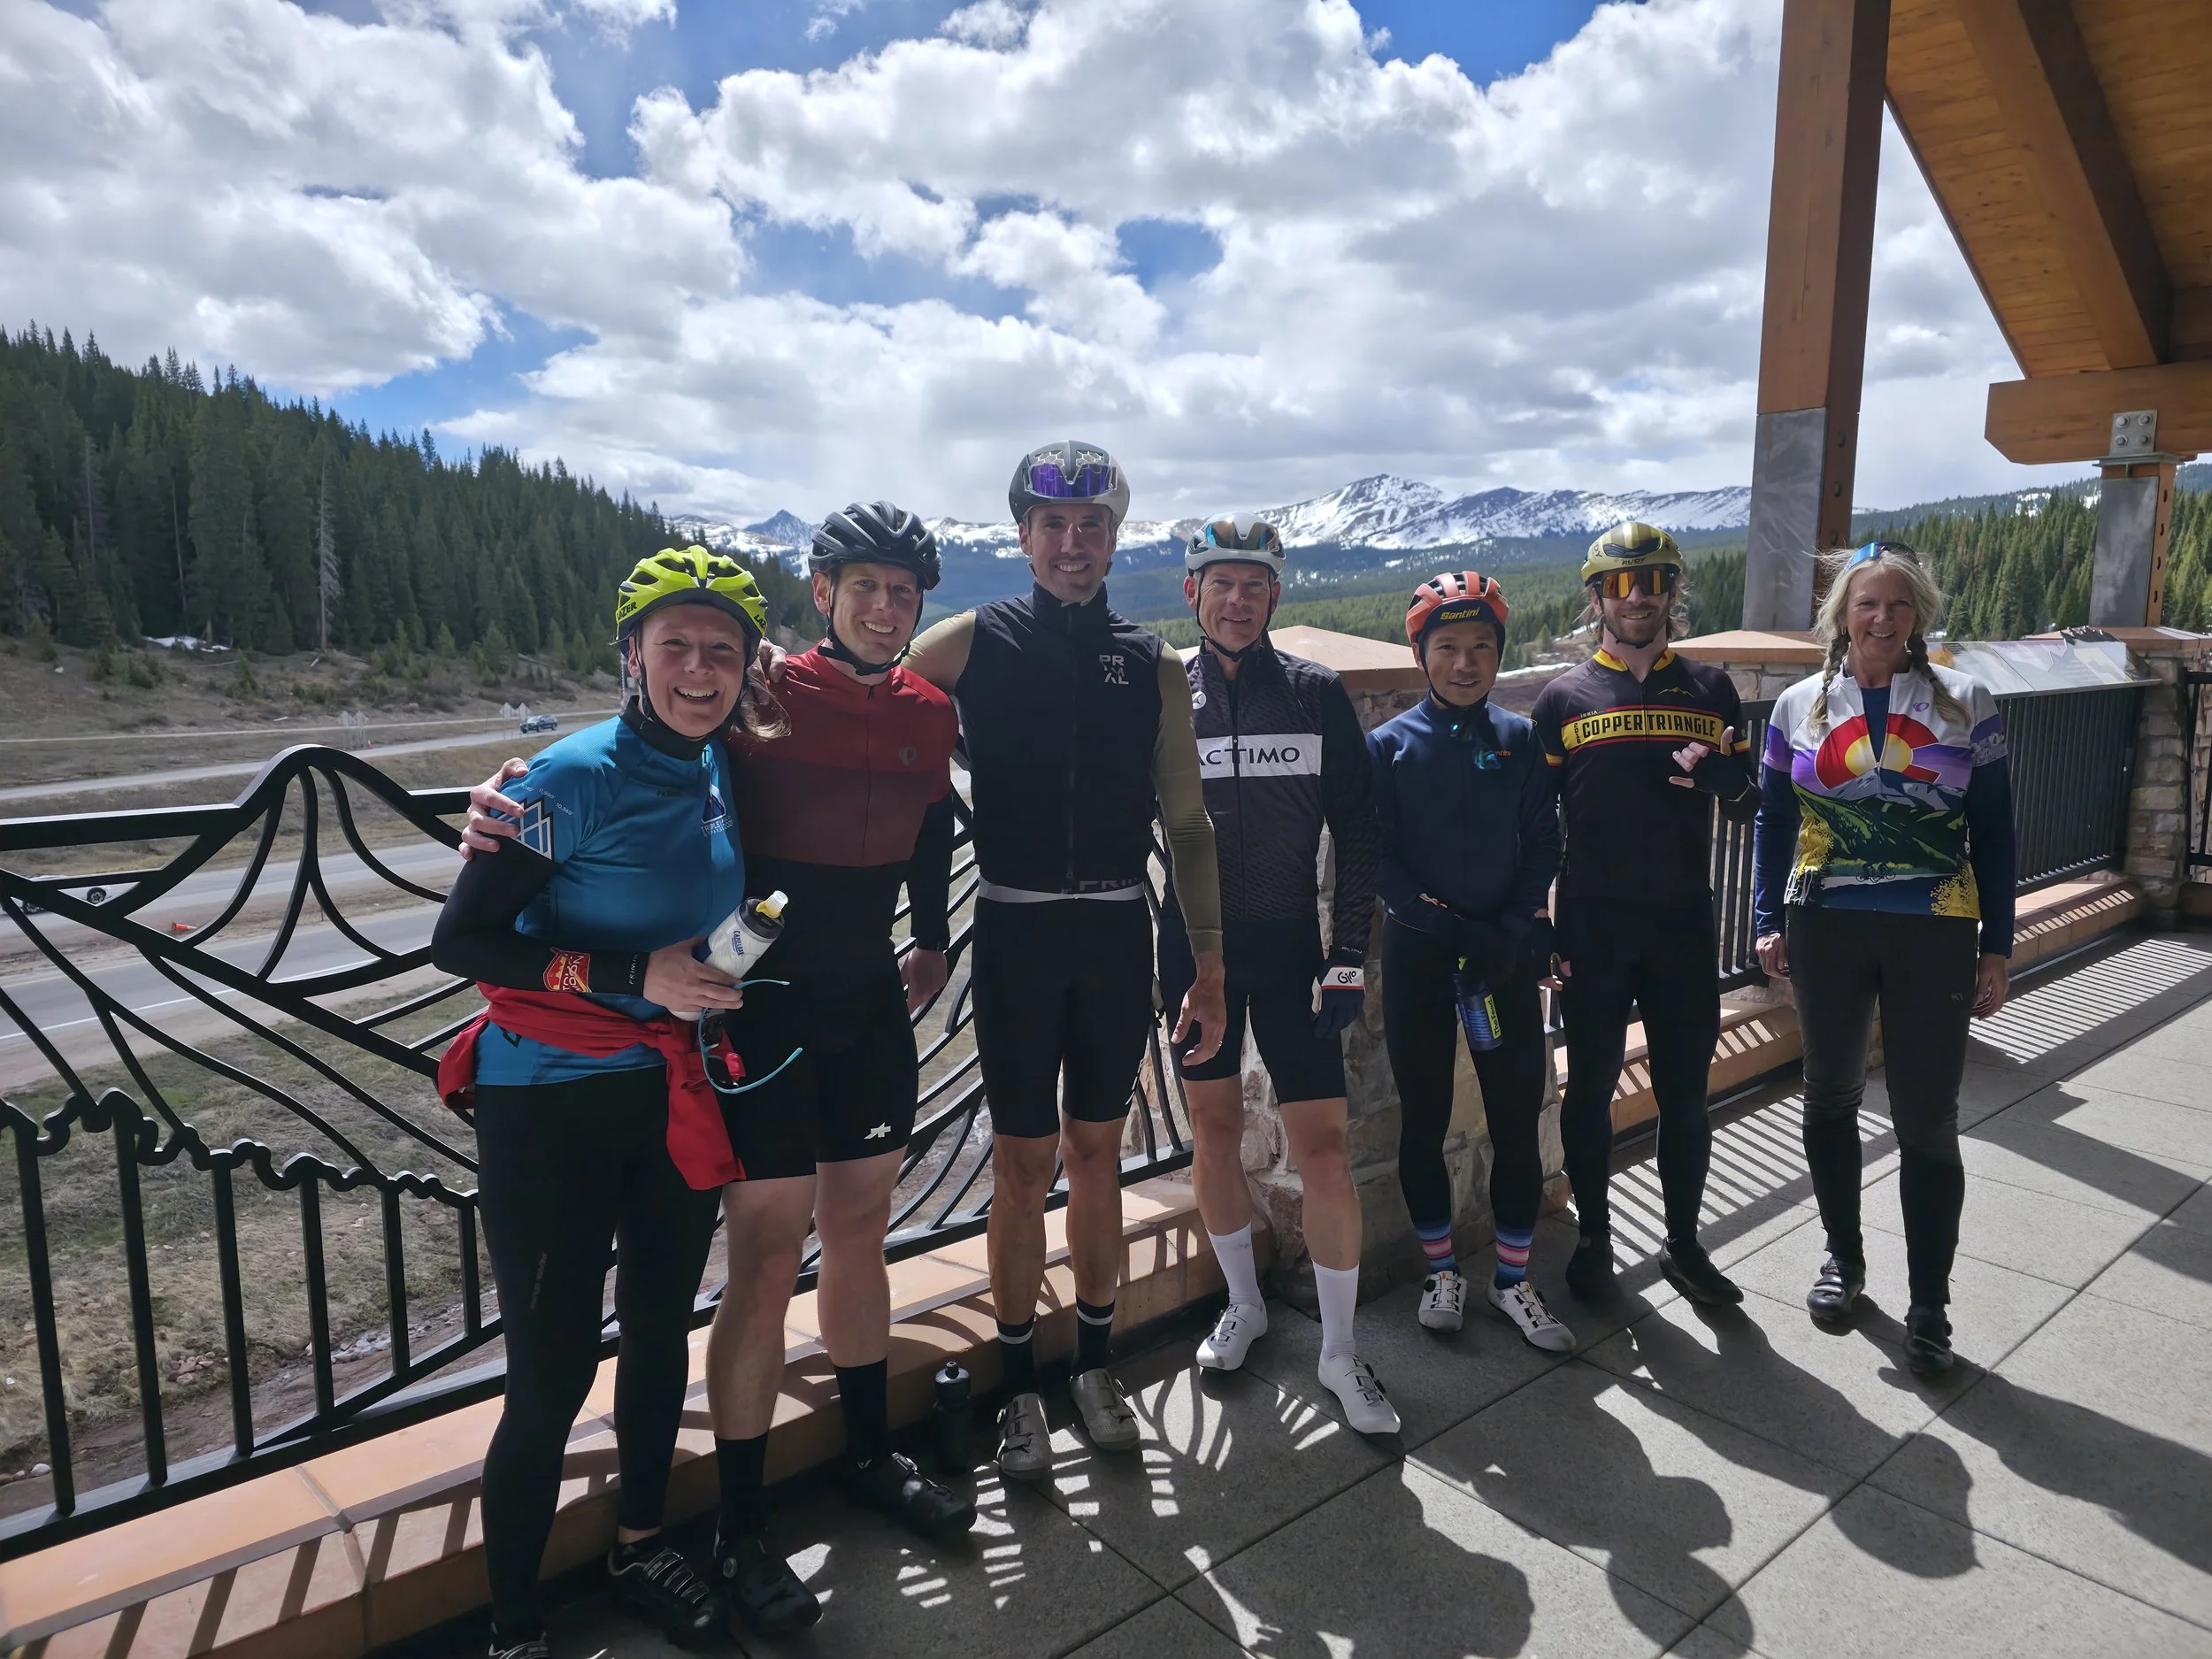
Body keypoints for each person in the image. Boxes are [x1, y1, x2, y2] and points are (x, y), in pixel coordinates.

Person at [464, 506, 975, 1638]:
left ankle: (861, 1457)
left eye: (906, 591)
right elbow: (624, 767)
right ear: (822, 587)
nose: (885, 608)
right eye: (864, 586)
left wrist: (934, 932)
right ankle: (738, 1528)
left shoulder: (924, 710)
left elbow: (934, 820)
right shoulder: (758, 700)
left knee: (855, 1237)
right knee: (758, 1259)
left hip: (858, 1017)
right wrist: (500, 813)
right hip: (757, 1020)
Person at [432, 546, 781, 1659]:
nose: (698, 668)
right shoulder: (565, 778)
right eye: (673, 645)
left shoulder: (718, 766)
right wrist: (637, 980)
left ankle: (639, 1545)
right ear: (629, 657)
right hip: (551, 1107)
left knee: (659, 1336)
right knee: (549, 1373)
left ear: (746, 668)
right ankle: (515, 1627)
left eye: (721, 650)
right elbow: (466, 938)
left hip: (668, 1097)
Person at [895, 441, 1227, 1479]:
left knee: (1095, 1157)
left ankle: (1091, 1366)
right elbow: (873, 705)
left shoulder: (1152, 660)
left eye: (1092, 526)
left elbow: (1189, 821)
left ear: (1114, 539)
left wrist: (1207, 965)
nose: (1072, 543)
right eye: (1053, 525)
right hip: (1014, 930)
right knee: (1018, 1163)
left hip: (1115, 934)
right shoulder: (971, 642)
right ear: (1023, 535)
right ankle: (1017, 1389)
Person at [1753, 539, 2014, 1379]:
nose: (1883, 617)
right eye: (1867, 602)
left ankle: (1930, 1304)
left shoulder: (1968, 702)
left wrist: (1999, 944)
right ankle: (1843, 1258)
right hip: (1824, 925)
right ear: (1841, 614)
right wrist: (1768, 918)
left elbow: (1999, 832)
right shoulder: (1797, 704)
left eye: (1900, 604)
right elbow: (1771, 822)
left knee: (1926, 1117)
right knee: (1827, 1093)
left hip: (1934, 928)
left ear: (1920, 616)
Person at [1160, 515, 1398, 1434]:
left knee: (1325, 1152)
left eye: (1254, 585)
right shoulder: (1162, 695)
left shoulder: (1313, 692)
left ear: (1274, 597)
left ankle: (1339, 1352)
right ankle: (1247, 1305)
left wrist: (1347, 956)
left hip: (1295, 948)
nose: (1236, 600)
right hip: (1190, 954)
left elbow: (1360, 829)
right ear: (1192, 594)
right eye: (1220, 583)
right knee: (1212, 1136)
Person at [1531, 522, 1755, 1307]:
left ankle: (1685, 1244)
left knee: (1687, 1092)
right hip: (1592, 923)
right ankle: (1594, 1238)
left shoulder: (1711, 687)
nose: (1639, 599)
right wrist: (1544, 926)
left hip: (1684, 923)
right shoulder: (1561, 697)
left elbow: (1747, 802)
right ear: (1596, 597)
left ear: (1672, 592)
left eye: (1654, 582)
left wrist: (1727, 777)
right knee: (1590, 1088)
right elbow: (1538, 824)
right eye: (1621, 586)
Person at [1369, 572, 1573, 1354]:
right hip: (1424, 958)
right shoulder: (1386, 748)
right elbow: (1380, 861)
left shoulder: (1519, 741)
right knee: (1421, 1122)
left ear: (1498, 654)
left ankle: (1514, 1279)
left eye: (1481, 647)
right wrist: (1450, 927)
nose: (1465, 663)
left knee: (1516, 1119)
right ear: (1419, 653)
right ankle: (1440, 1270)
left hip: (1502, 961)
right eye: (1447, 647)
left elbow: (1543, 844)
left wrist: (1515, 926)